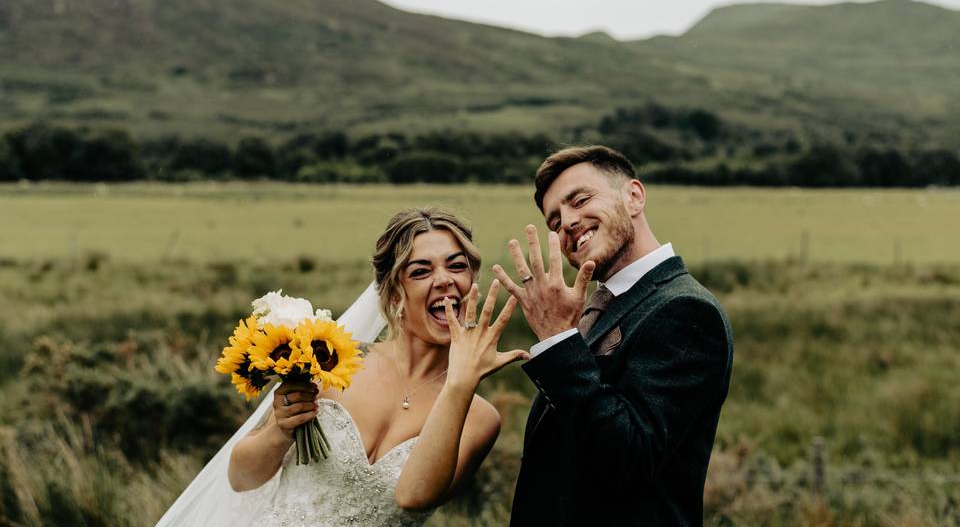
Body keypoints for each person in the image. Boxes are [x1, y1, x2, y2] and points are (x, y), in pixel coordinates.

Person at [156, 207, 527, 527]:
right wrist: (280, 431)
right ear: (394, 291)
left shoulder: (480, 418)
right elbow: (241, 477)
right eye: (420, 271)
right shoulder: (331, 360)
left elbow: (413, 496)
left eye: (457, 266)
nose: (444, 280)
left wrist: (460, 384)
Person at [491, 145, 734, 526]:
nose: (567, 223)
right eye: (554, 221)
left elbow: (630, 457)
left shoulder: (685, 309)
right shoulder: (601, 307)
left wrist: (557, 339)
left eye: (580, 200)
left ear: (634, 196)